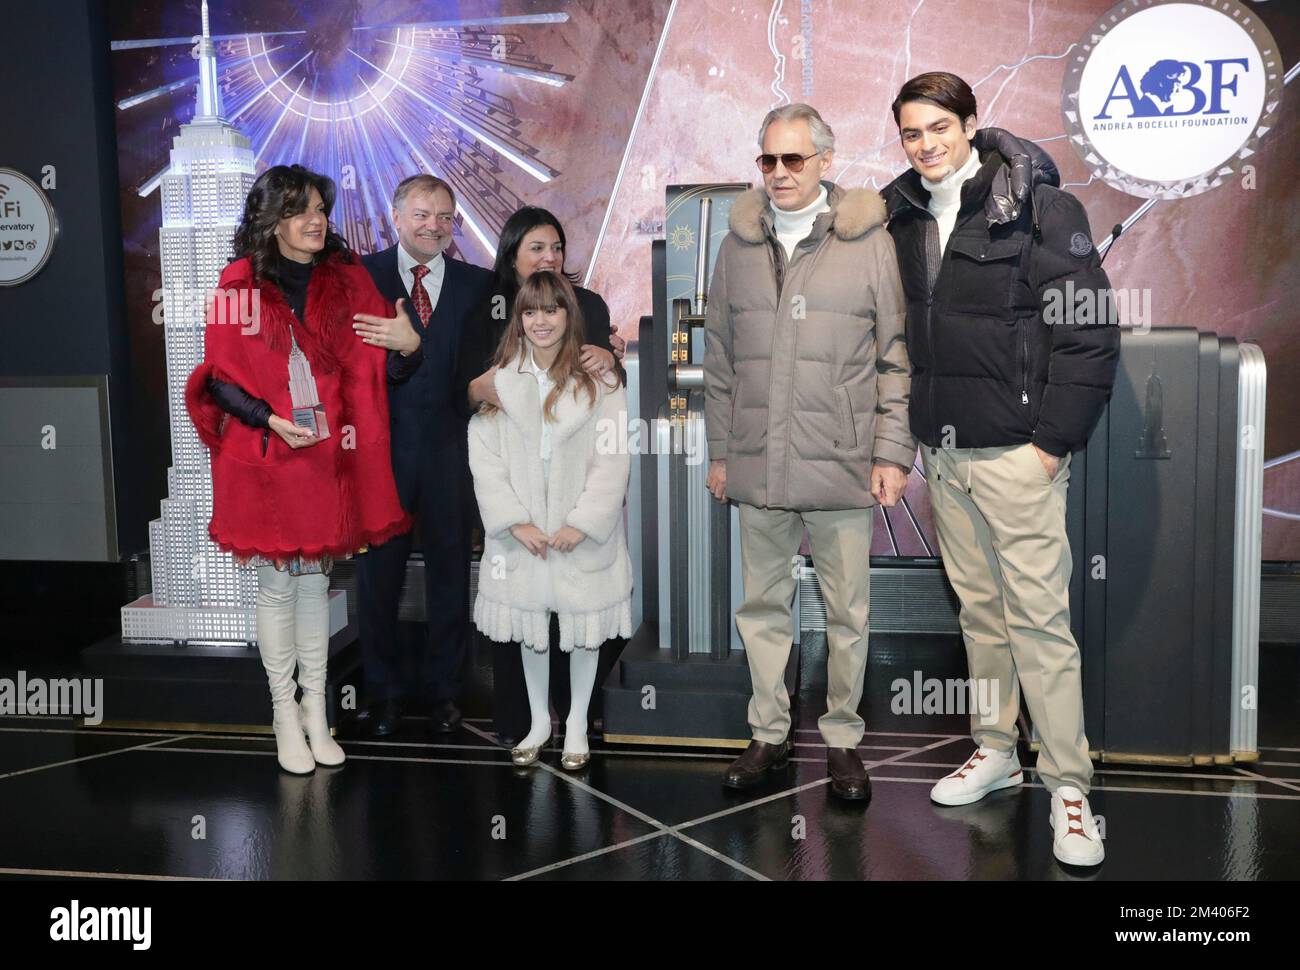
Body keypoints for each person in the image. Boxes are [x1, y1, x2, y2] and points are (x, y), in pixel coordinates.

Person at [882, 72, 1119, 866]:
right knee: (980, 619)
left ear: (972, 124)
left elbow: (1088, 333)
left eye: (939, 127)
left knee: (1039, 626)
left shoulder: (1042, 209)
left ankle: (1071, 790)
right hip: (946, 456)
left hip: (1020, 455)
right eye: (912, 133)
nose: (926, 145)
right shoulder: (902, 214)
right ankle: (996, 749)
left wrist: (1051, 443)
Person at [702, 104, 915, 802]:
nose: (780, 173)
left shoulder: (868, 242)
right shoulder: (735, 247)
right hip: (758, 461)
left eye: (794, 159)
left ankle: (845, 742)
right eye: (768, 160)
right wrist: (722, 454)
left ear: (826, 161)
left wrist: (890, 453)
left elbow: (892, 357)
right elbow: (722, 362)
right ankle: (767, 732)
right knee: (760, 607)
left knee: (848, 612)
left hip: (841, 460)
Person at [185, 164, 415, 774]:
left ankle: (318, 713)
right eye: (298, 210)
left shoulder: (347, 278)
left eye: (319, 208)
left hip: (328, 454)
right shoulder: (239, 282)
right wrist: (270, 419)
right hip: (265, 456)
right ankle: (283, 714)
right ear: (271, 220)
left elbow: (378, 372)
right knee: (276, 582)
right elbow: (219, 379)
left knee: (315, 580)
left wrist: (406, 346)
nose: (315, 220)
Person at [455, 206, 626, 746]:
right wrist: (512, 522)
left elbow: (613, 457)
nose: (543, 320)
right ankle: (535, 723)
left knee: (582, 630)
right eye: (533, 313)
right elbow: (485, 461)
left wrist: (585, 522)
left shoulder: (600, 382)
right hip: (523, 538)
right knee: (529, 628)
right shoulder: (499, 383)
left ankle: (576, 724)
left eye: (554, 310)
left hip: (581, 535)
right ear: (519, 317)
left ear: (571, 315)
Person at [355, 175, 496, 739]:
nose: (434, 226)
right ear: (396, 216)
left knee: (448, 581)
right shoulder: (362, 278)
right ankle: (383, 694)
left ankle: (445, 692)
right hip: (380, 459)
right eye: (422, 214)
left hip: (451, 458)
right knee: (377, 582)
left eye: (445, 216)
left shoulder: (480, 285)